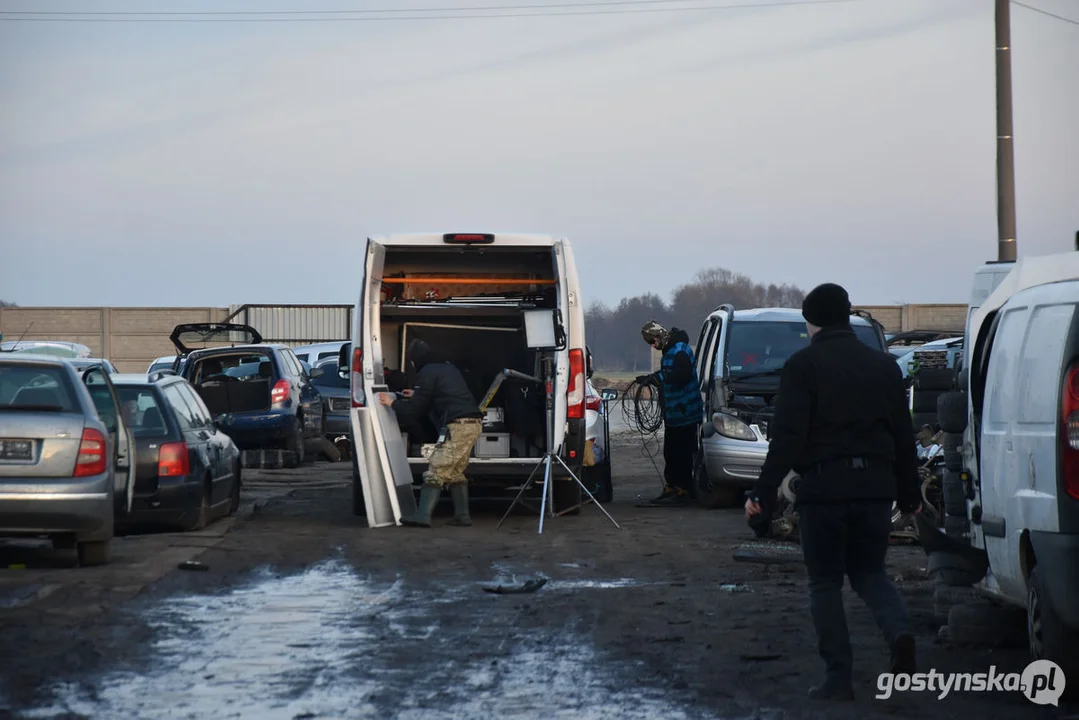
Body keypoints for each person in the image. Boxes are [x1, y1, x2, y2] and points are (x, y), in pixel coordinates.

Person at [744, 283, 922, 701]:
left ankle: (838, 678)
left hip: (824, 489)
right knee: (870, 573)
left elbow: (786, 438)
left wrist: (763, 493)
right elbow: (903, 436)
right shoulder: (884, 367)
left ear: (812, 322)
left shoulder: (802, 367)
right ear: (846, 318)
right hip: (876, 490)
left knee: (824, 583)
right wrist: (910, 493)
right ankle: (898, 632)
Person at [377, 339, 483, 528]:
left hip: (458, 426)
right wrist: (415, 394)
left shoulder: (426, 372)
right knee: (456, 472)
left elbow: (416, 409)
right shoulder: (447, 368)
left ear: (415, 359)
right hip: (471, 424)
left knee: (436, 470)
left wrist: (392, 403)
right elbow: (441, 393)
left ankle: (422, 516)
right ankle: (462, 516)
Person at [638, 321, 703, 507]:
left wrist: (655, 378)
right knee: (670, 452)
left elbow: (681, 375)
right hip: (675, 415)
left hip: (686, 413)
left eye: (652, 341)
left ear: (659, 336)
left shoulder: (680, 350)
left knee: (681, 453)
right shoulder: (671, 350)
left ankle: (683, 489)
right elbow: (669, 373)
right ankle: (673, 487)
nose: (653, 346)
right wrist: (651, 379)